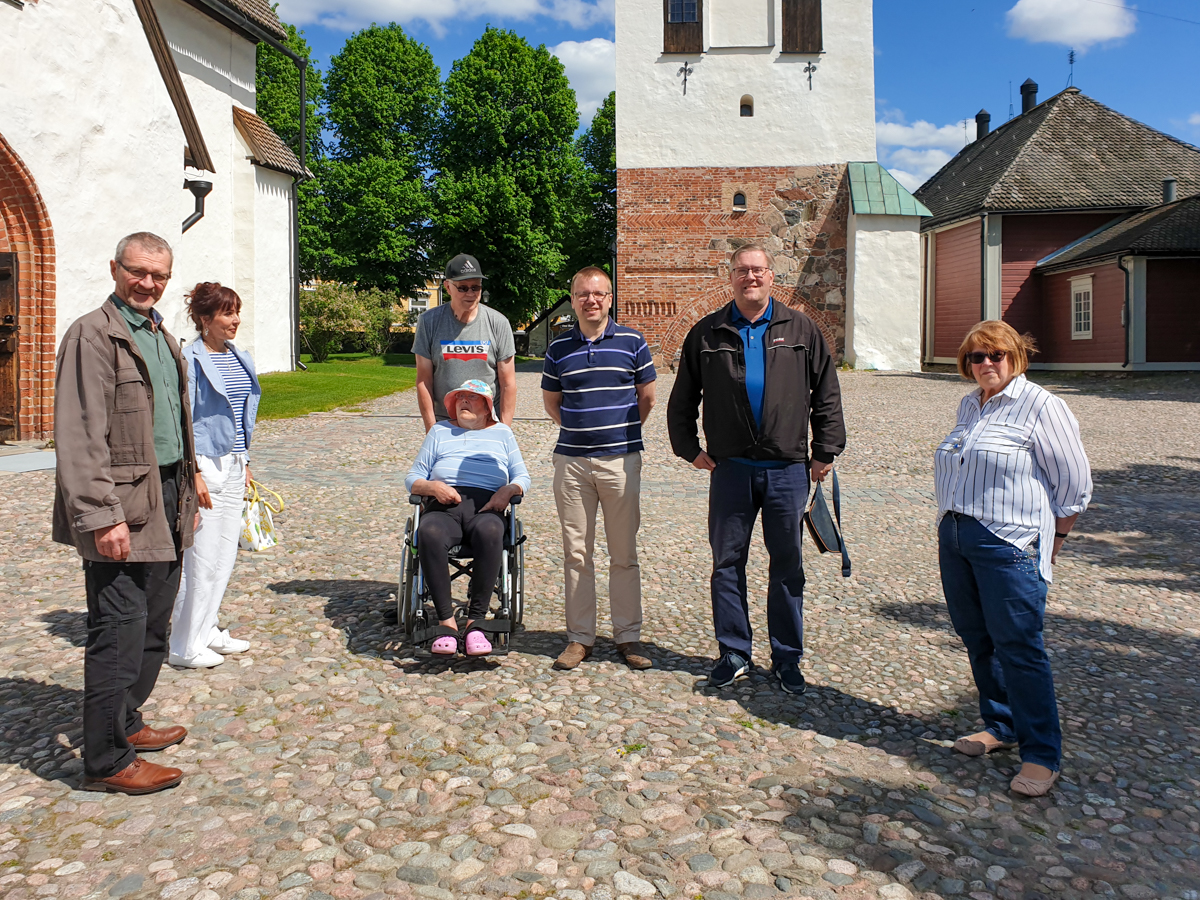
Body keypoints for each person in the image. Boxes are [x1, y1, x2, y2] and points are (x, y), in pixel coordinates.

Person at [52, 232, 198, 794]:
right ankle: (106, 761)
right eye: (137, 272)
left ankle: (128, 723)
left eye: (158, 275)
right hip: (120, 503)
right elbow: (80, 434)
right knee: (118, 630)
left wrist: (193, 484)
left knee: (154, 625)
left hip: (168, 495)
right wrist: (99, 515)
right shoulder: (93, 334)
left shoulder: (161, 334)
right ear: (115, 268)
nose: (148, 283)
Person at [667, 243, 846, 694]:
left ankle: (787, 658)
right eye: (742, 271)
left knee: (787, 565)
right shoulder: (708, 332)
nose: (751, 277)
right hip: (730, 469)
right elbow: (682, 399)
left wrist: (825, 450)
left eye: (758, 270)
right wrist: (688, 448)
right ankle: (734, 651)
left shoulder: (800, 328)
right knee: (727, 563)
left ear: (771, 277)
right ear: (731, 277)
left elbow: (827, 393)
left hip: (787, 468)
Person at [936, 320, 1091, 798]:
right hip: (957, 535)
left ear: (1016, 356)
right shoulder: (969, 404)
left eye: (995, 355)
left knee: (1020, 648)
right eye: (976, 357)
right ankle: (999, 725)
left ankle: (1042, 754)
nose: (986, 364)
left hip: (1009, 542)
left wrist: (1052, 543)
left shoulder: (1043, 406)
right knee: (977, 638)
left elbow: (1074, 486)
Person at [542, 267, 657, 671]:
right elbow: (551, 404)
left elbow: (647, 399)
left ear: (610, 298)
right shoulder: (558, 348)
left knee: (624, 553)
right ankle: (579, 638)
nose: (591, 300)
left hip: (620, 461)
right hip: (572, 463)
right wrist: (581, 434)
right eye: (583, 294)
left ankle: (628, 636)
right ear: (572, 300)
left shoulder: (632, 341)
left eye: (599, 294)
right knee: (576, 553)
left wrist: (616, 436)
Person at [169, 283, 261, 668]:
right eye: (226, 313)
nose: (235, 320)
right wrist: (194, 473)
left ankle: (206, 630)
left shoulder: (238, 356)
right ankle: (183, 644)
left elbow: (241, 416)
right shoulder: (188, 359)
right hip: (205, 462)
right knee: (200, 560)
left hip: (234, 463)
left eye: (236, 311)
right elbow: (182, 419)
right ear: (205, 319)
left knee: (224, 557)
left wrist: (246, 461)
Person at [405, 380, 531, 656]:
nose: (463, 401)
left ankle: (476, 623)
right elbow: (413, 477)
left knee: (490, 532)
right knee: (430, 533)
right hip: (443, 505)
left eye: (471, 398)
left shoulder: (502, 434)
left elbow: (522, 475)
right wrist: (432, 487)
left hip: (486, 505)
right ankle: (446, 623)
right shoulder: (439, 431)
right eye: (459, 397)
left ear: (487, 407)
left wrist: (509, 489)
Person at [414, 254, 516, 431]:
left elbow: (508, 383)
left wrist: (503, 430)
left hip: (487, 424)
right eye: (462, 288)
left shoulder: (498, 323)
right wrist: (432, 430)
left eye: (475, 287)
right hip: (445, 424)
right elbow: (424, 380)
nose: (470, 294)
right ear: (448, 287)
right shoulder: (429, 322)